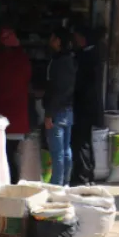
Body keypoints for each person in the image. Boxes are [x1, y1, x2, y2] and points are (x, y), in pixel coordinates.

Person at [0, 27, 32, 184]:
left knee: (4, 155)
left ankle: (10, 185)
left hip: (2, 115)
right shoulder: (23, 60)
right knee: (11, 153)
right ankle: (13, 184)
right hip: (17, 117)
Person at [44, 28, 77, 186]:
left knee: (58, 152)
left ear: (58, 41)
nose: (50, 41)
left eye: (52, 38)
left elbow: (58, 90)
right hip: (67, 110)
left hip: (58, 111)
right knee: (65, 150)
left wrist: (49, 113)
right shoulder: (69, 59)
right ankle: (65, 183)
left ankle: (57, 185)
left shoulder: (60, 62)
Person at [71, 25, 103, 187]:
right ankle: (88, 174)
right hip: (89, 106)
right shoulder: (92, 55)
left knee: (81, 141)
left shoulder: (87, 57)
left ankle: (83, 176)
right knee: (85, 141)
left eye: (77, 37)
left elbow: (82, 83)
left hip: (84, 105)